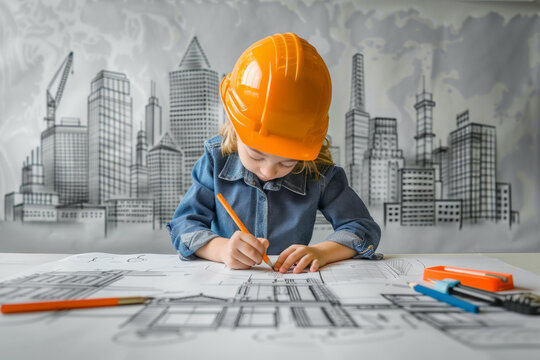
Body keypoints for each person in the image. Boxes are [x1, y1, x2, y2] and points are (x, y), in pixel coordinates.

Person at [167, 33, 381, 274]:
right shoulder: (215, 161)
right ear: (235, 126)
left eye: (287, 162)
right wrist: (222, 250)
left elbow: (363, 228)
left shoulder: (318, 172)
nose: (268, 171)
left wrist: (322, 252)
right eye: (257, 156)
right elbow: (183, 225)